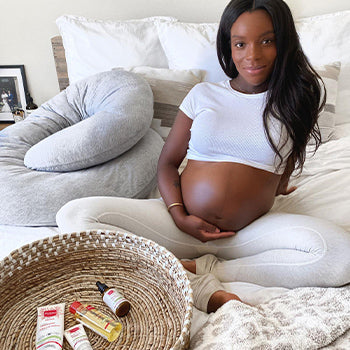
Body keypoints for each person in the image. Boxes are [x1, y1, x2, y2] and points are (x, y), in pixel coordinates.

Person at [56, 0, 350, 313]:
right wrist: (179, 214)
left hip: (247, 233)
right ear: (229, 47)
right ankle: (195, 286)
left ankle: (206, 271)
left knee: (338, 255)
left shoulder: (296, 100)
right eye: (240, 44)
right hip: (179, 225)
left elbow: (287, 161)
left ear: (284, 41)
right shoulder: (204, 94)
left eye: (267, 41)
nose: (252, 55)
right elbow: (168, 163)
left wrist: (279, 188)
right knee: (75, 215)